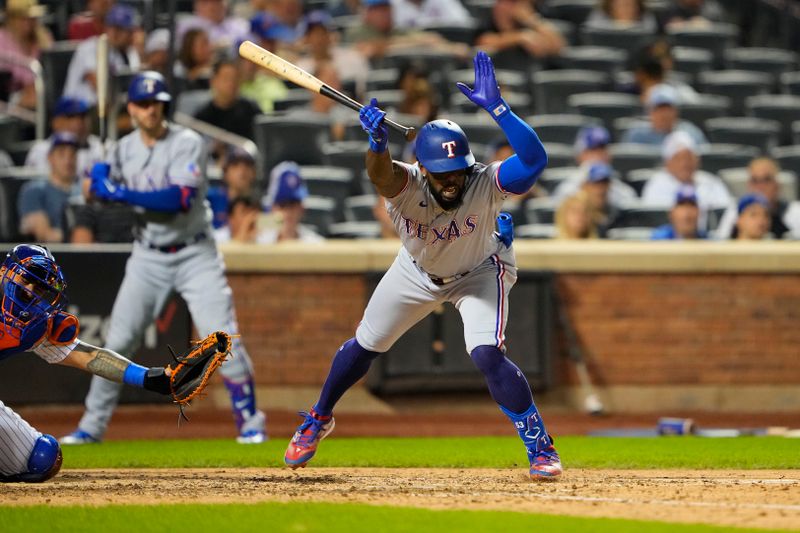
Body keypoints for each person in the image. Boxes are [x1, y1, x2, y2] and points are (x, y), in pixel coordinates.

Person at [284, 51, 562, 479]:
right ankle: (320, 417)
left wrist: (499, 109)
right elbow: (381, 176)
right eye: (442, 173)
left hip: (480, 270)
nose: (452, 180)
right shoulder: (406, 184)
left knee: (486, 353)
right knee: (365, 345)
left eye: (458, 171)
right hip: (416, 270)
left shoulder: (483, 181)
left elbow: (534, 162)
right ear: (423, 168)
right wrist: (377, 145)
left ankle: (540, 446)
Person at [60, 71, 266, 445]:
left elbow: (178, 200)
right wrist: (97, 181)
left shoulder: (188, 142)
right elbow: (91, 190)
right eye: (143, 104)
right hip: (148, 257)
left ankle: (250, 421)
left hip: (194, 253)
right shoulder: (121, 148)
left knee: (221, 336)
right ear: (132, 109)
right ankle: (92, 426)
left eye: (157, 103)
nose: (151, 111)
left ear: (165, 106)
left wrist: (118, 192)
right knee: (118, 341)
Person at [0, 244, 175, 482]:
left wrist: (149, 378)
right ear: (4, 273)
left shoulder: (30, 323)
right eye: (26, 279)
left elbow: (88, 356)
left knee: (42, 458)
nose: (30, 291)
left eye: (39, 287)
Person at [642, 131, 731, 231]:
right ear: (667, 163)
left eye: (689, 158)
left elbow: (725, 215)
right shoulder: (656, 185)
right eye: (679, 159)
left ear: (697, 160)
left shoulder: (711, 182)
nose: (685, 164)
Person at [63, 4, 141, 106]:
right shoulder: (90, 48)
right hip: (75, 108)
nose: (114, 33)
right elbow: (100, 87)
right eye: (111, 27)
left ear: (132, 32)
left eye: (120, 29)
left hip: (107, 108)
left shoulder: (130, 52)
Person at [17, 133, 82, 243]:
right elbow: (44, 234)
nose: (68, 160)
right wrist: (82, 238)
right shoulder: (34, 190)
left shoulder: (83, 190)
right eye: (62, 154)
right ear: (50, 158)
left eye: (72, 155)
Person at [553, 127, 637, 212]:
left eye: (602, 149)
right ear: (580, 155)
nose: (598, 156)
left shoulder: (623, 192)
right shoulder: (567, 191)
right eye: (592, 150)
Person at [194, 58, 263, 157]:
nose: (231, 83)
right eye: (226, 78)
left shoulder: (251, 109)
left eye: (235, 78)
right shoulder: (202, 118)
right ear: (213, 81)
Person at [24, 96, 104, 180]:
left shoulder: (102, 147)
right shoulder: (40, 151)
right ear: (55, 122)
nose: (78, 122)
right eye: (70, 117)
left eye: (82, 116)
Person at [714, 158, 794, 240]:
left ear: (777, 184)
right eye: (755, 180)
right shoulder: (734, 210)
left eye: (766, 180)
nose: (760, 186)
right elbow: (721, 242)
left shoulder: (794, 211)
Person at [0, 0, 53, 109]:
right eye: (23, 18)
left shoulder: (44, 37)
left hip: (44, 90)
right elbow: (4, 80)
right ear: (11, 19)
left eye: (31, 18)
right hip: (11, 97)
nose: (28, 23)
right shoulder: (2, 39)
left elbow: (52, 69)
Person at [257, 161, 324, 244]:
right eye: (282, 205)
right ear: (273, 208)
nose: (288, 212)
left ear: (302, 208)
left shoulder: (316, 246)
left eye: (293, 204)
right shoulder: (260, 245)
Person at [622, 84, 707, 147]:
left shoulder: (691, 133)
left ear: (676, 111)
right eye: (659, 109)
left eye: (668, 109)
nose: (664, 114)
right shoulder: (636, 135)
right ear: (650, 111)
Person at [476, 0, 565, 61]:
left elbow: (558, 46)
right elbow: (483, 42)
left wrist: (531, 20)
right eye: (501, 2)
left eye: (512, 3)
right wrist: (520, 37)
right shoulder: (488, 23)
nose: (503, 7)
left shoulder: (532, 22)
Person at [177, 0, 250, 51]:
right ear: (197, 5)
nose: (212, 7)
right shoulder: (188, 26)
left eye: (217, 2)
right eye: (206, 2)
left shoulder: (240, 24)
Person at [390, 0, 473, 29]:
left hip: (445, 46)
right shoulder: (392, 4)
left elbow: (464, 22)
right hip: (406, 50)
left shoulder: (443, 1)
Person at [585, 0, 658, 32]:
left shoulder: (647, 22)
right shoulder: (598, 22)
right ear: (610, 8)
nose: (626, 10)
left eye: (629, 5)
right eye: (620, 5)